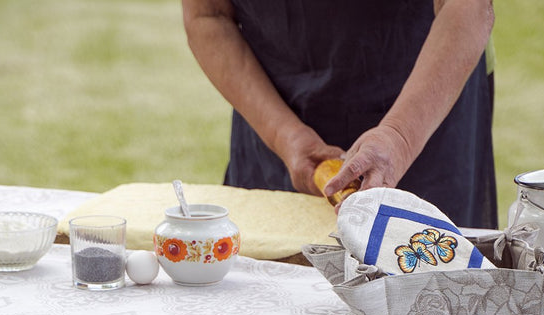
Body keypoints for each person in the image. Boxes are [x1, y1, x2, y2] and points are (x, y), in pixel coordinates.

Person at [181, 0, 497, 229]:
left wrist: (400, 136)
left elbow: (467, 7)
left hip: (422, 113)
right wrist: (283, 135)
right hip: (272, 114)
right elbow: (208, 14)